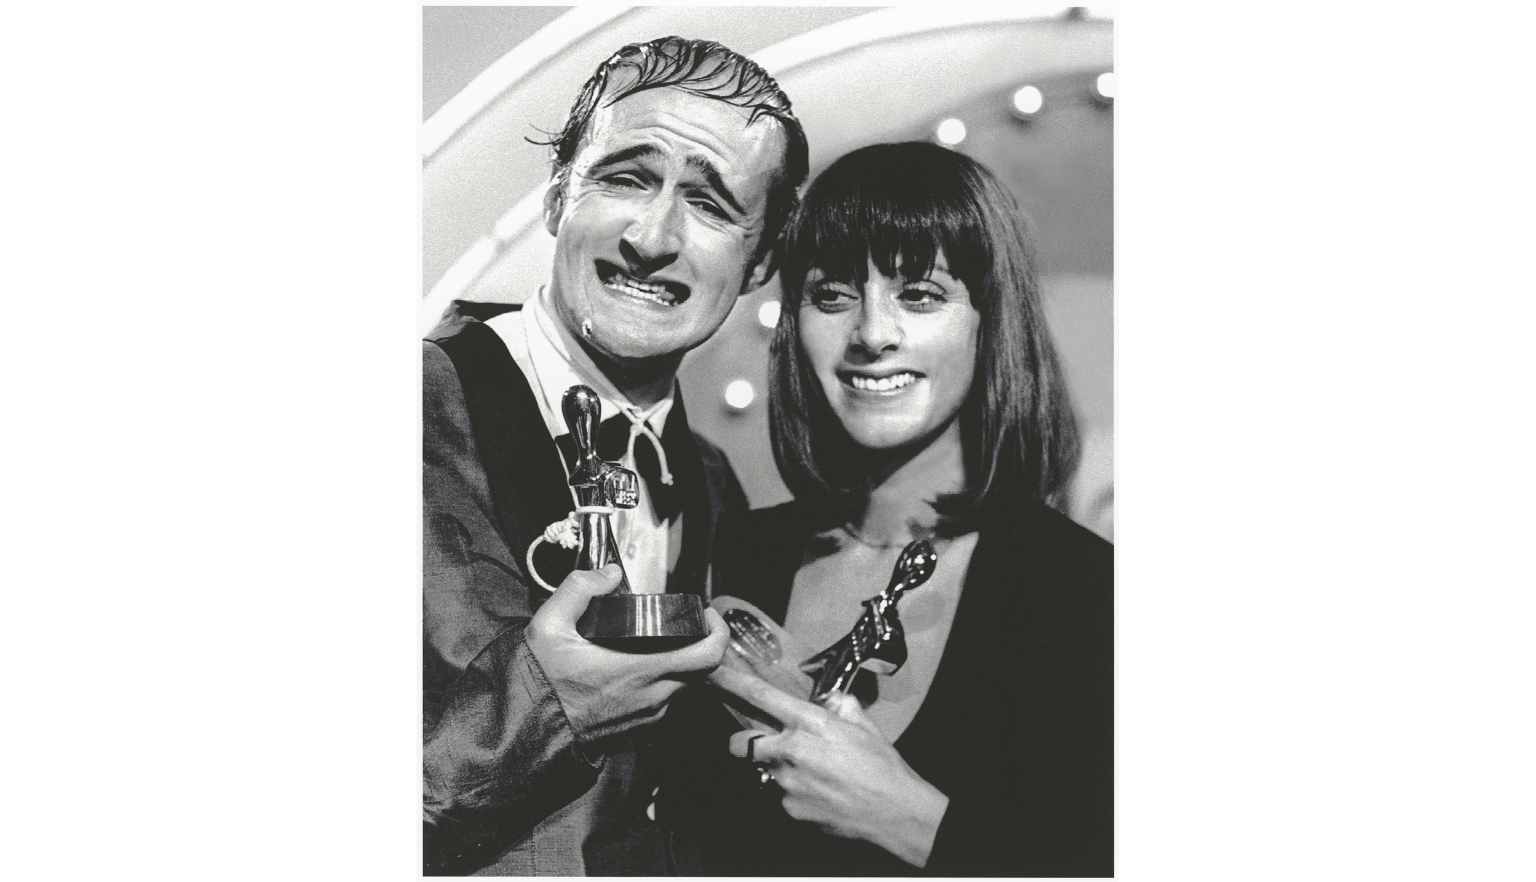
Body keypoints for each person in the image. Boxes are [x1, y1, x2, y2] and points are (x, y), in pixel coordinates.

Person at [657, 141, 1113, 876]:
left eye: (920, 295)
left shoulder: (1086, 592)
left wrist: (912, 822)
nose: (871, 334)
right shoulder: (735, 550)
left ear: (988, 319)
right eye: (832, 296)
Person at [422, 37, 810, 875]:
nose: (652, 235)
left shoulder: (709, 482)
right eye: (625, 177)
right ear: (559, 197)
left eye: (709, 204)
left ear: (762, 261)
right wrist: (540, 713)